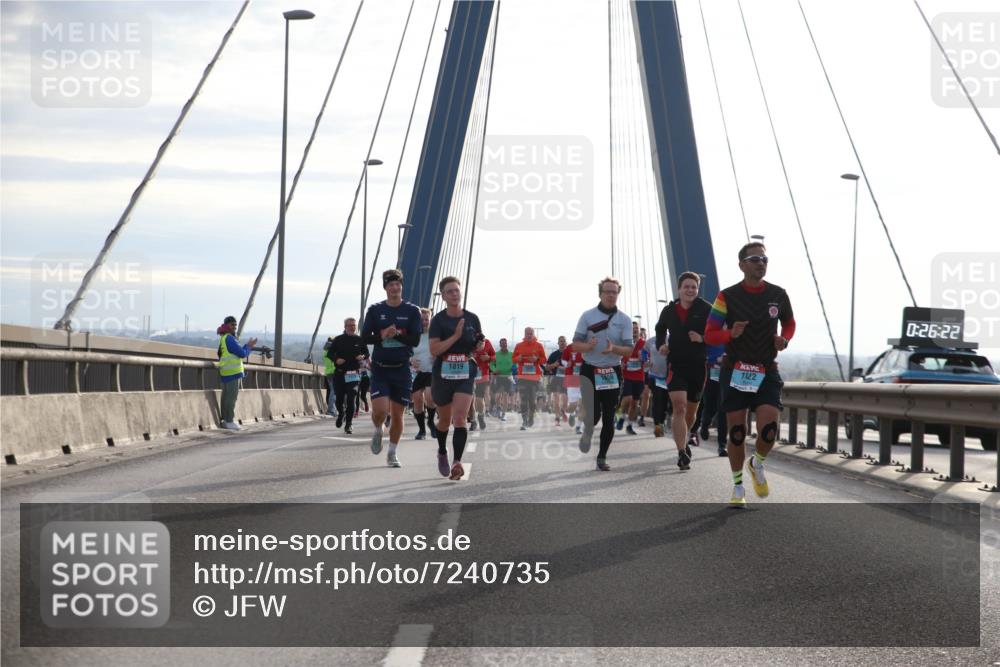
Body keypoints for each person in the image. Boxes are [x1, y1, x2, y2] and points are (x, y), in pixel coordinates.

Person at [704, 242, 795, 507]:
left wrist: (784, 339)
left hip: (766, 369)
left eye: (764, 259)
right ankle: (737, 487)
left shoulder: (778, 294)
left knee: (769, 430)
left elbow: (789, 322)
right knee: (737, 433)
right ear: (742, 264)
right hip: (736, 370)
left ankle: (757, 463)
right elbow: (710, 333)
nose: (761, 263)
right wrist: (729, 334)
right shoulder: (726, 296)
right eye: (755, 259)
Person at [361, 269, 423, 468]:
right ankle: (378, 429)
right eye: (390, 285)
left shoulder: (412, 311)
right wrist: (382, 336)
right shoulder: (375, 310)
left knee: (397, 414)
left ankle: (392, 453)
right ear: (385, 288)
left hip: (401, 369)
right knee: (380, 411)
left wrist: (395, 335)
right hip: (380, 368)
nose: (395, 288)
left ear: (401, 286)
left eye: (398, 284)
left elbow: (414, 340)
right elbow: (365, 338)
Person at [572, 276, 634, 471]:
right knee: (594, 414)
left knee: (609, 417)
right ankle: (587, 433)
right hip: (590, 369)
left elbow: (629, 350)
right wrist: (587, 346)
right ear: (600, 294)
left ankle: (602, 456)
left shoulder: (624, 320)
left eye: (614, 292)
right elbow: (575, 345)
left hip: (612, 372)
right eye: (607, 291)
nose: (610, 295)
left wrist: (613, 349)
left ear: (618, 295)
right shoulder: (587, 316)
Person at [655, 272, 713, 470]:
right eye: (686, 287)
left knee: (691, 413)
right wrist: (661, 344)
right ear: (679, 289)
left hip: (698, 366)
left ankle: (686, 439)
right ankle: (681, 452)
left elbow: (718, 333)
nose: (690, 290)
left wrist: (703, 338)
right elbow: (660, 329)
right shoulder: (669, 311)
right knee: (679, 407)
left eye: (694, 287)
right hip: (676, 365)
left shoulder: (706, 309)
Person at [428, 276, 484, 480]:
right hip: (443, 371)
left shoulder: (472, 318)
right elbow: (434, 349)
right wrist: (455, 336)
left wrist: (478, 345)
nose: (454, 293)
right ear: (443, 296)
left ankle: (457, 462)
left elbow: (477, 344)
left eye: (456, 290)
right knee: (444, 420)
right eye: (450, 291)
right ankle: (442, 451)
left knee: (460, 418)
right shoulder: (438, 321)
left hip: (465, 371)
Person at [328, 317, 369, 434]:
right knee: (339, 399)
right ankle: (341, 413)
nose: (352, 327)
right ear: (345, 327)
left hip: (354, 375)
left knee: (352, 398)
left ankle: (349, 424)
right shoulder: (338, 339)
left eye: (354, 325)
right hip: (340, 374)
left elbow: (366, 352)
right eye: (350, 325)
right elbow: (330, 353)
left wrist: (363, 356)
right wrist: (336, 359)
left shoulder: (359, 340)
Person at [216, 316, 257, 430]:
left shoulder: (224, 338)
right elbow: (242, 354)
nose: (234, 327)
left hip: (226, 372)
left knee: (226, 397)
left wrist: (246, 347)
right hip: (232, 373)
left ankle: (225, 420)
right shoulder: (229, 338)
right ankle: (229, 420)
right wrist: (249, 347)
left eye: (235, 325)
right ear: (226, 325)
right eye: (232, 325)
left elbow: (230, 352)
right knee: (231, 398)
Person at [410, 308, 438, 441]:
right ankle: (421, 430)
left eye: (426, 319)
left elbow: (444, 349)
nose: (424, 322)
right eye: (421, 320)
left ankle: (431, 422)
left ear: (430, 320)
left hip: (432, 371)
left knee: (430, 396)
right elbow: (406, 352)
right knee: (416, 398)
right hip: (418, 372)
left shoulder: (436, 335)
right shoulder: (413, 335)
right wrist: (411, 360)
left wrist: (438, 356)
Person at [512, 328, 546, 430]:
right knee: (523, 399)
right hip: (522, 377)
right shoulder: (519, 345)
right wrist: (518, 359)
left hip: (535, 378)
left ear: (533, 334)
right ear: (525, 334)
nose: (529, 335)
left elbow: (544, 359)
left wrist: (537, 359)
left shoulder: (539, 345)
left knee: (532, 400)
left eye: (531, 333)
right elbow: (513, 359)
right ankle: (524, 421)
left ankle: (531, 417)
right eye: (527, 334)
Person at [615, 320, 645, 436]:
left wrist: (642, 358)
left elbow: (647, 361)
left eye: (636, 328)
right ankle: (621, 417)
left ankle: (630, 426)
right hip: (627, 376)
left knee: (634, 403)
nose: (635, 330)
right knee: (628, 398)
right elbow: (618, 357)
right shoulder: (625, 343)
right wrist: (621, 364)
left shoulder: (643, 344)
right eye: (632, 328)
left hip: (639, 377)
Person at [698, 343, 727, 456]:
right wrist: (715, 359)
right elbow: (701, 352)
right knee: (710, 405)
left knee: (723, 408)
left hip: (727, 372)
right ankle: (705, 424)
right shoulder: (711, 328)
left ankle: (722, 446)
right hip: (712, 371)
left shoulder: (734, 329)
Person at [643, 331, 671, 445]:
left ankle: (664, 422)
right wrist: (646, 361)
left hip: (670, 375)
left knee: (667, 401)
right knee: (658, 400)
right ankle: (658, 425)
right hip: (655, 376)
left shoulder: (672, 339)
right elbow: (644, 352)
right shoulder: (650, 341)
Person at [471, 336, 495, 431]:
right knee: (470, 400)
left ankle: (481, 416)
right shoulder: (468, 341)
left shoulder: (487, 342)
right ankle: (473, 421)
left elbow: (494, 356)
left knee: (479, 399)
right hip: (469, 373)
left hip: (483, 374)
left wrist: (488, 357)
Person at [561, 342, 586, 433]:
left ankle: (578, 426)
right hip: (571, 378)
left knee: (584, 404)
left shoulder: (586, 347)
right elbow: (563, 360)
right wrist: (567, 363)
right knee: (573, 405)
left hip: (584, 379)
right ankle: (571, 413)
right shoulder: (569, 348)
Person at [544, 336, 569, 424]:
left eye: (564, 341)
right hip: (556, 378)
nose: (562, 343)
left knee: (565, 400)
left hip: (567, 379)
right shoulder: (554, 354)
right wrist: (553, 365)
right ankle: (557, 417)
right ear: (558, 343)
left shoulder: (570, 354)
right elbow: (546, 367)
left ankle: (563, 411)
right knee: (556, 398)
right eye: (560, 341)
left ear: (566, 343)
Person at [490, 338, 515, 421]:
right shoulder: (496, 354)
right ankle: (498, 407)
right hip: (499, 377)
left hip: (508, 377)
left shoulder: (511, 354)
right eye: (502, 344)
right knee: (497, 396)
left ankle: (504, 414)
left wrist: (513, 369)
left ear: (507, 344)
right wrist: (494, 370)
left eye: (505, 343)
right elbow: (491, 365)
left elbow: (515, 365)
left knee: (505, 396)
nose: (504, 345)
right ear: (500, 345)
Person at [322, 337, 337, 416]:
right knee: (333, 392)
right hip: (334, 372)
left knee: (332, 391)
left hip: (328, 373)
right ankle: (331, 410)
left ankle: (333, 410)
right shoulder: (332, 351)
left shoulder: (324, 351)